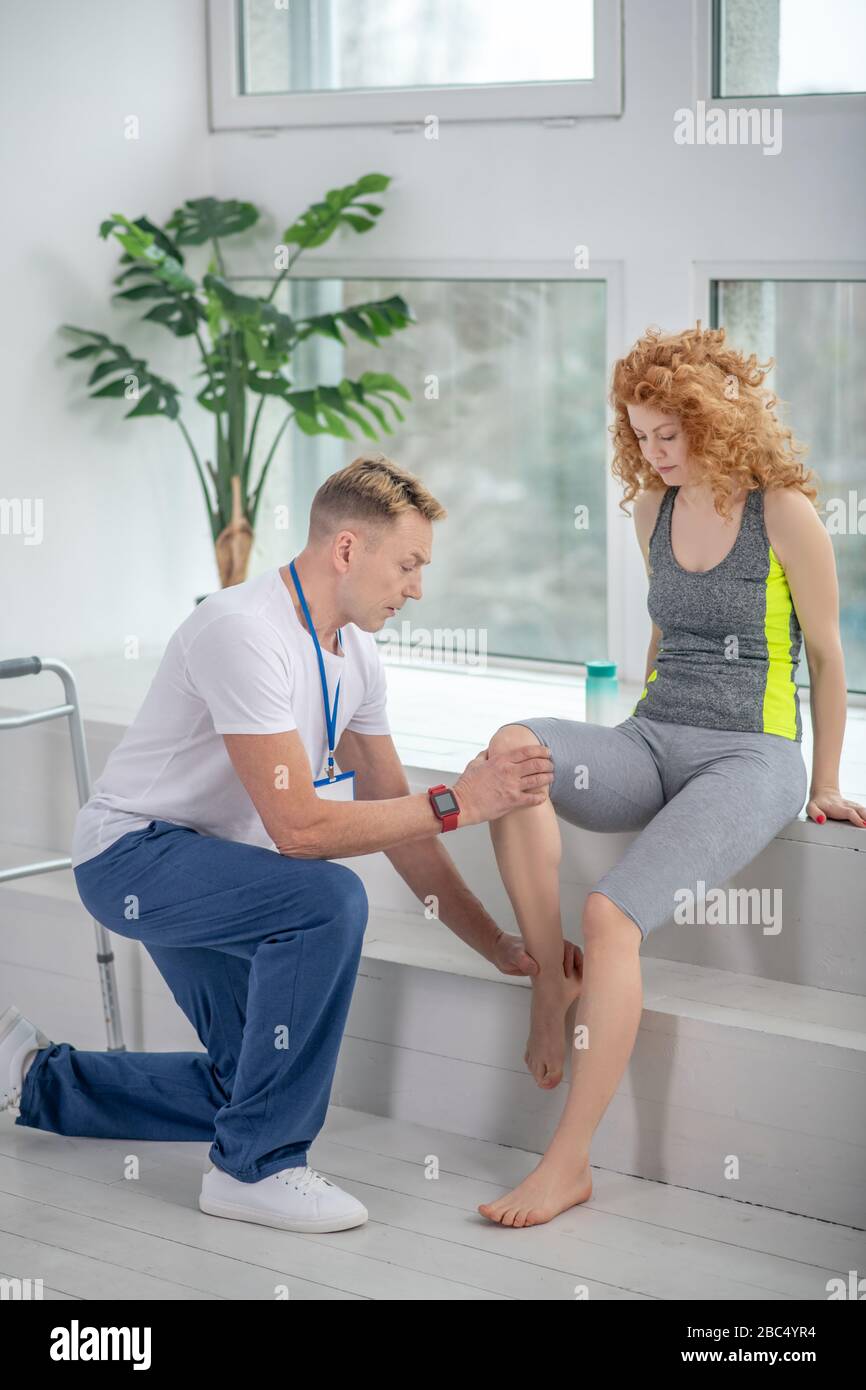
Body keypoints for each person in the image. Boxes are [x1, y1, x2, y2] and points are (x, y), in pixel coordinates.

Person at [0, 453, 570, 1236]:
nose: (417, 588)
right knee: (329, 898)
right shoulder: (242, 630)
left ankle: (35, 1079)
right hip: (134, 855)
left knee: (249, 1085)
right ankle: (255, 1171)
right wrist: (459, 800)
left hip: (215, 870)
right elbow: (300, 830)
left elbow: (401, 821)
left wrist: (496, 944)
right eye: (407, 564)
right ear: (346, 549)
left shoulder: (356, 657)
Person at [477, 323, 866, 1229]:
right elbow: (662, 640)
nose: (653, 453)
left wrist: (827, 778)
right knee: (511, 750)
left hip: (754, 755)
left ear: (718, 420)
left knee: (611, 914)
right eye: (640, 436)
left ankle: (566, 1165)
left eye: (668, 435)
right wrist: (623, 741)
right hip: (654, 737)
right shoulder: (651, 509)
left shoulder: (787, 513)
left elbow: (827, 653)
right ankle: (548, 979)